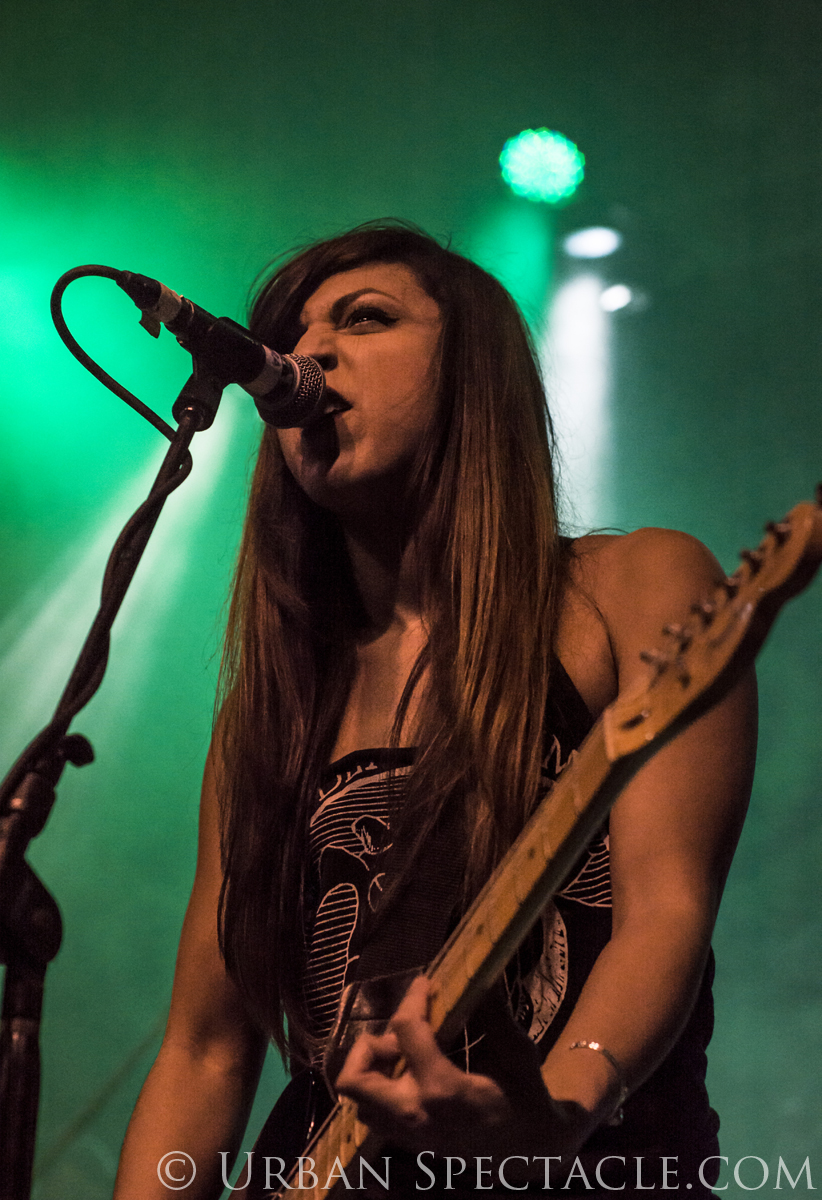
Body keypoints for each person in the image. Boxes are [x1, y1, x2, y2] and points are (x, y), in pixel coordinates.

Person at [113, 222, 757, 1199]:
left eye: (365, 319)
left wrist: (557, 1111)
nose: (309, 351)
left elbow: (666, 908)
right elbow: (204, 1051)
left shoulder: (634, 587)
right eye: (292, 334)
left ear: (472, 374)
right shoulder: (273, 710)